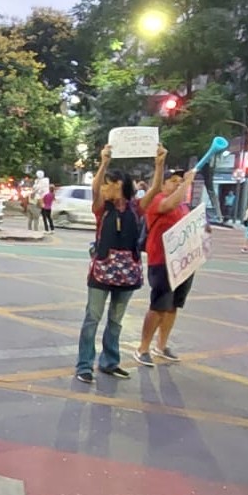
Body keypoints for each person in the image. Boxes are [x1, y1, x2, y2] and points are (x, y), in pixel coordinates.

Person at [76, 145, 143, 383]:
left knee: (115, 320)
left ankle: (110, 362)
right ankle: (84, 365)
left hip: (127, 273)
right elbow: (95, 189)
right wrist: (103, 162)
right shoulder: (102, 209)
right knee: (92, 318)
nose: (103, 188)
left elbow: (154, 190)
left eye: (107, 183)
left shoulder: (136, 208)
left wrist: (158, 164)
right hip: (102, 271)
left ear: (118, 185)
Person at [135, 145, 195, 368]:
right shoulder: (158, 200)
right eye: (174, 182)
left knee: (173, 306)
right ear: (162, 184)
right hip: (162, 261)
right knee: (158, 305)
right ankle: (143, 347)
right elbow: (169, 203)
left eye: (180, 182)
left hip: (183, 262)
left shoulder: (183, 206)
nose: (178, 185)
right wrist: (187, 183)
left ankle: (162, 344)